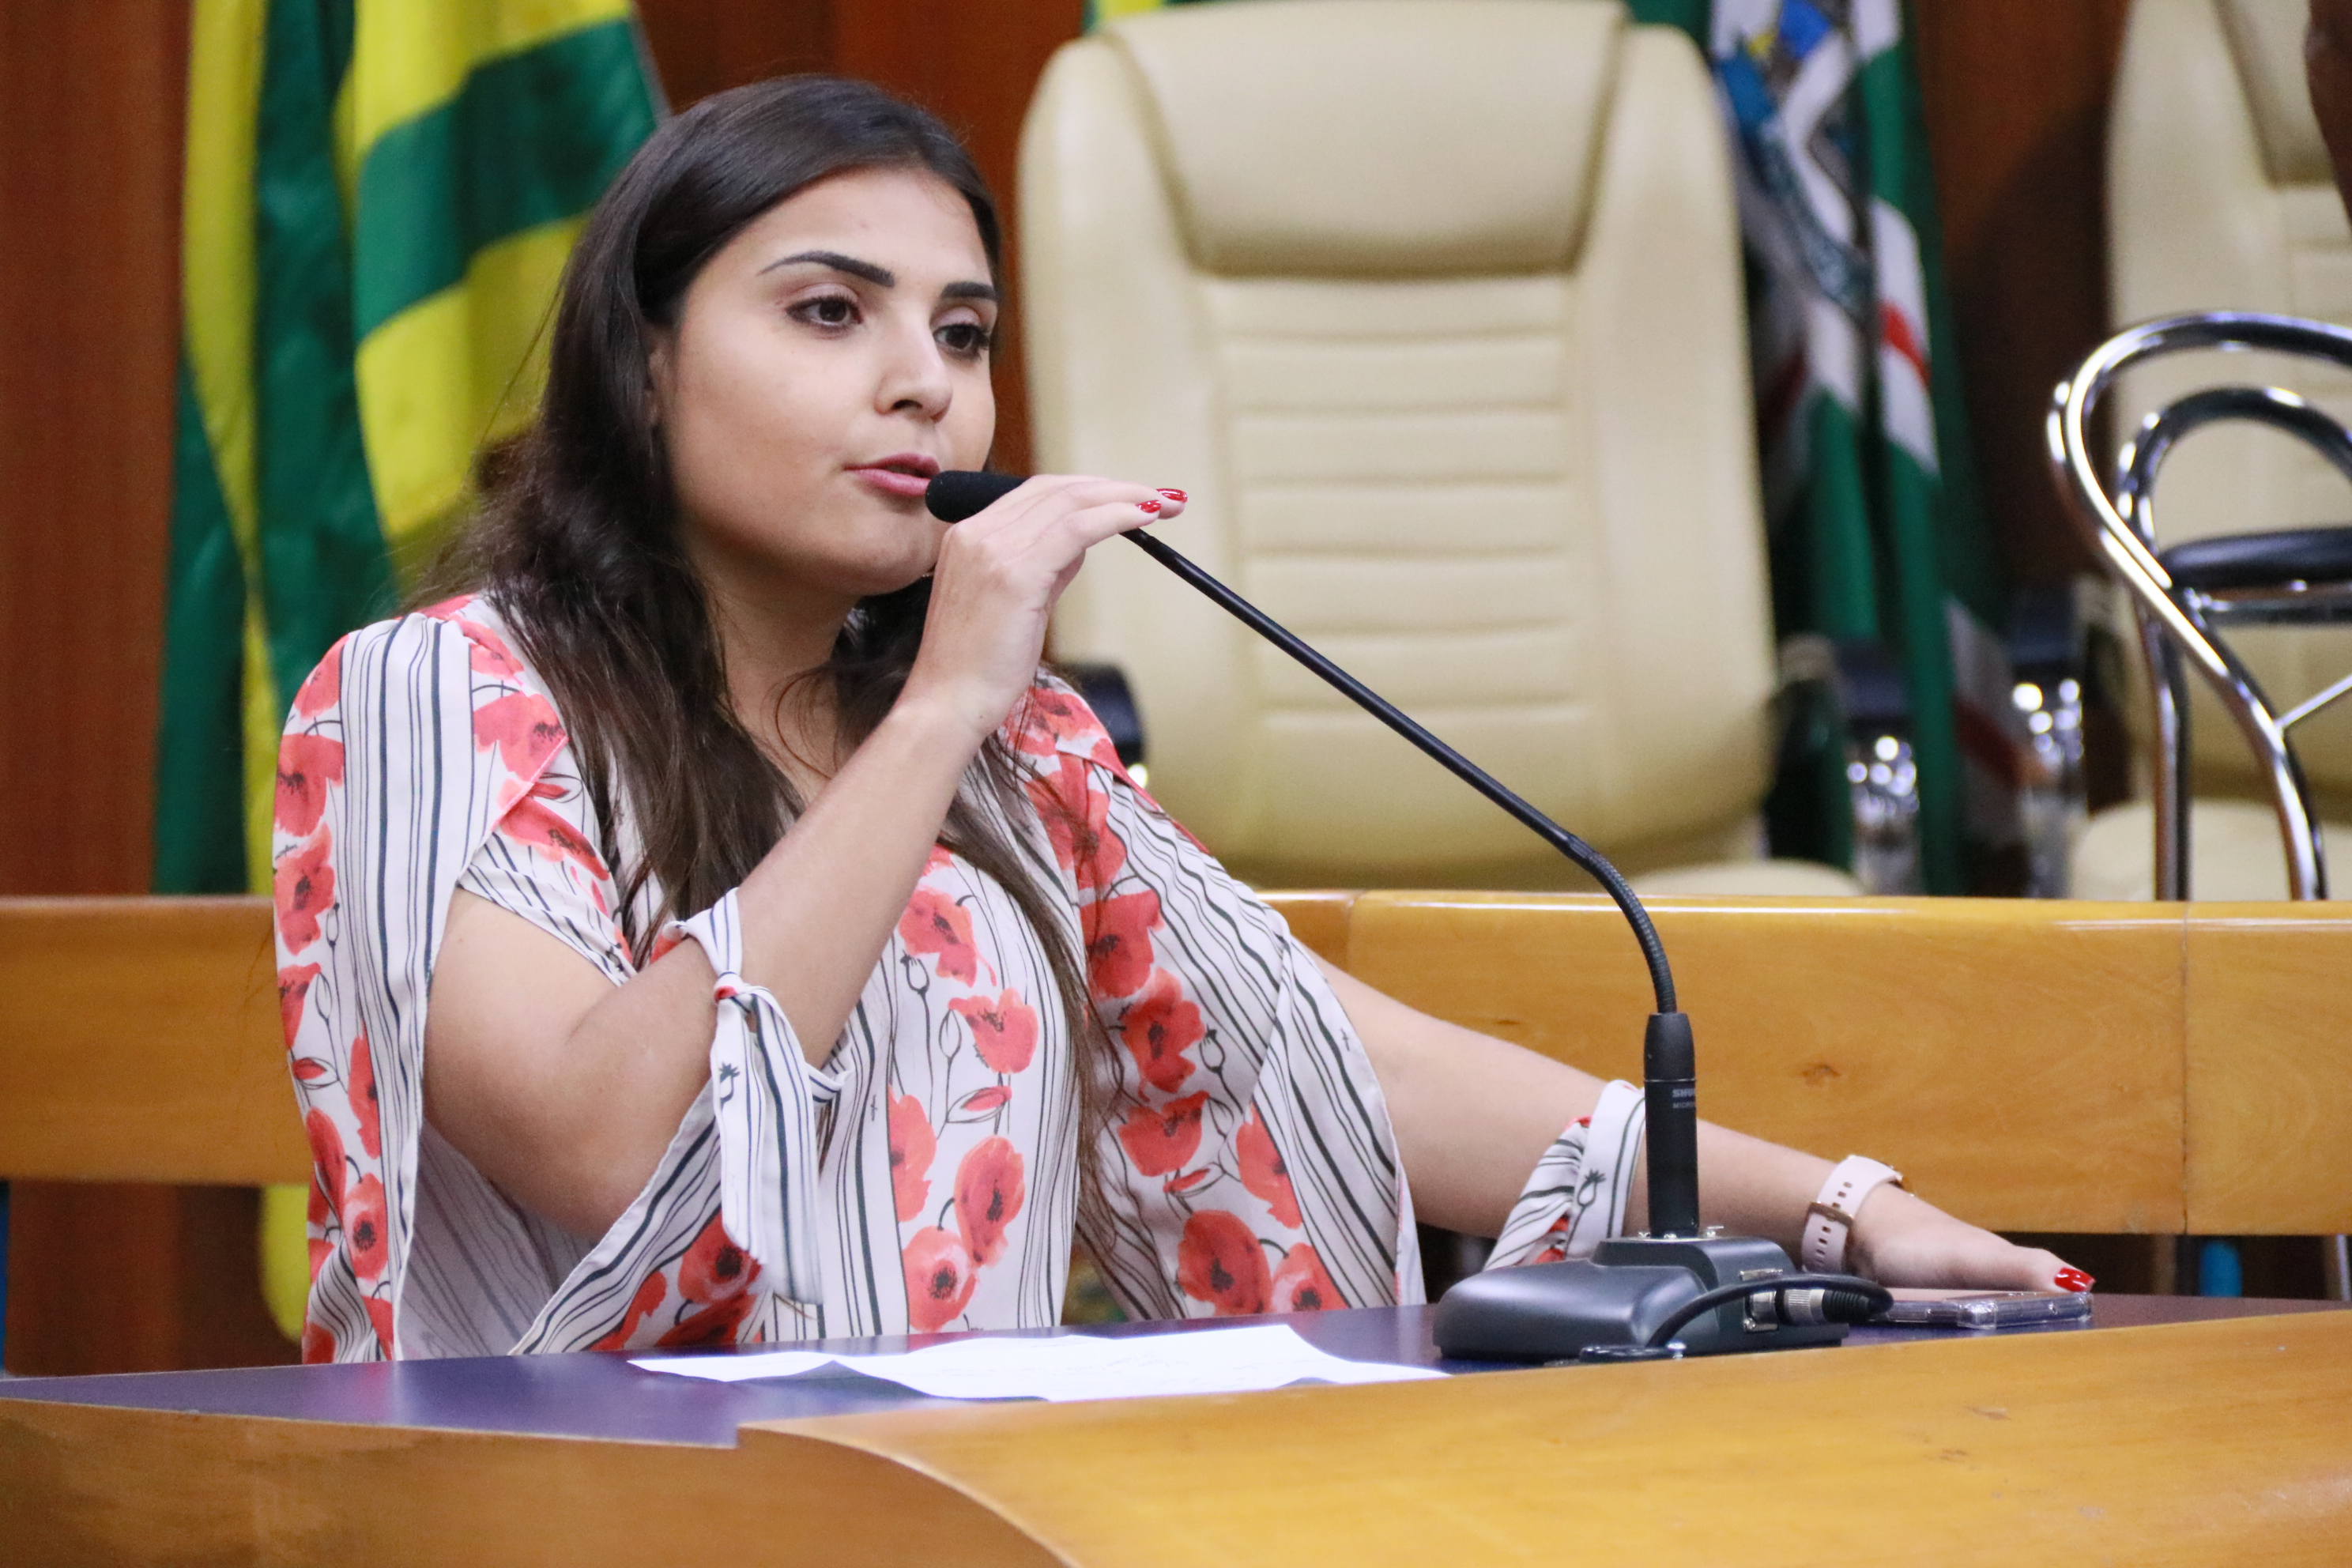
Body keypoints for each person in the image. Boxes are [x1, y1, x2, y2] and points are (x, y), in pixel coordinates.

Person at [273, 77, 2085, 1362]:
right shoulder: (440, 691)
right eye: (829, 312)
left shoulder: (1014, 752)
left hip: (952, 1498)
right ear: (647, 360)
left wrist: (1842, 1208)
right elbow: (594, 1140)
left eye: (965, 332)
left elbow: (1325, 1058)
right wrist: (944, 705)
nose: (923, 382)